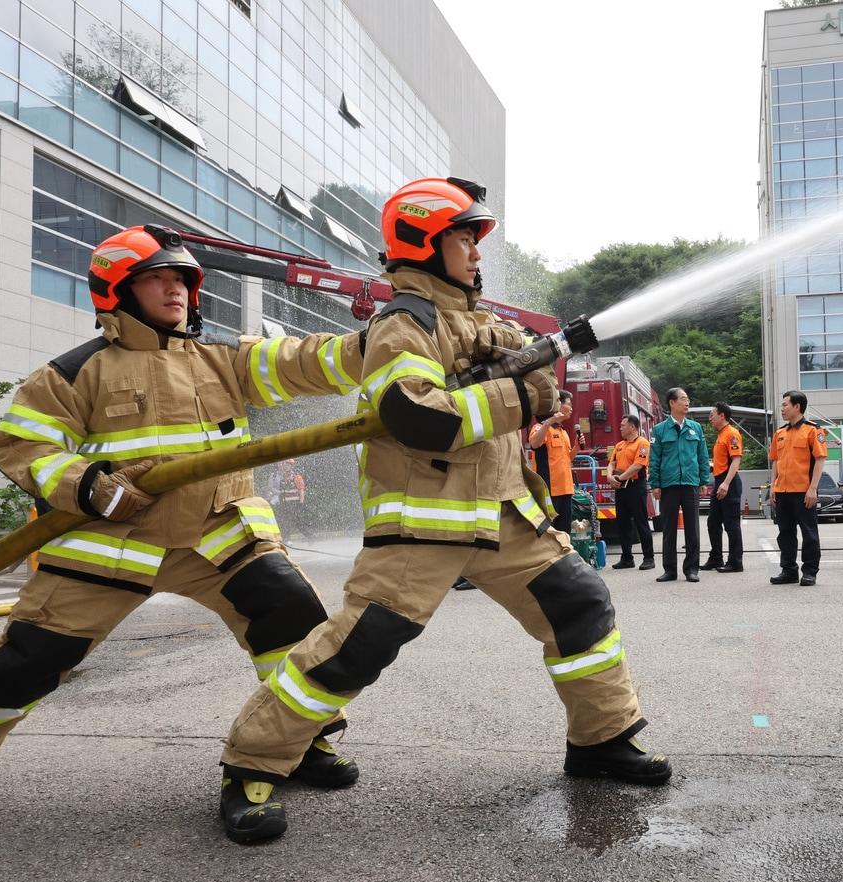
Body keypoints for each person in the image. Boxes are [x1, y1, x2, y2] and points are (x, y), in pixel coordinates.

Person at [217, 177, 669, 843]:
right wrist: (518, 396)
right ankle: (252, 761)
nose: (476, 252)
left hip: (506, 516)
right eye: (463, 238)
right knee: (358, 647)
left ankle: (603, 738)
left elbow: (537, 386)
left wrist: (527, 382)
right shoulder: (402, 327)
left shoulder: (487, 325)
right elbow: (419, 418)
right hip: (423, 524)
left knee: (580, 604)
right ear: (424, 243)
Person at [0, 225, 366, 824]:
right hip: (111, 546)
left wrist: (388, 339)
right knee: (28, 658)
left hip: (220, 537)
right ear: (117, 292)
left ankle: (298, 743)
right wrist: (90, 486)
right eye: (157, 279)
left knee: (293, 620)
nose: (176, 291)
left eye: (183, 280)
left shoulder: (227, 360)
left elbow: (313, 361)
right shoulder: (74, 373)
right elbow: (23, 446)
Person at [649, 387, 708, 583]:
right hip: (669, 485)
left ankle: (692, 569)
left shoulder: (695, 428)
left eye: (687, 399)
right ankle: (669, 570)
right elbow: (654, 459)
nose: (687, 402)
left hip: (690, 483)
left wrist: (703, 480)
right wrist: (655, 484)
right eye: (683, 399)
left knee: (692, 529)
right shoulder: (659, 430)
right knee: (669, 530)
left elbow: (702, 455)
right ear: (672, 403)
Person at [768, 390, 827, 585]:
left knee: (809, 533)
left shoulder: (813, 430)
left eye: (785, 405)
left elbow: (820, 460)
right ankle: (789, 570)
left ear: (797, 406)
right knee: (785, 533)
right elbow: (776, 461)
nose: (782, 409)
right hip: (782, 492)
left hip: (803, 491)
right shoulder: (780, 433)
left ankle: (809, 572)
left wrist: (813, 488)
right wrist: (773, 486)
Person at [702, 402, 745, 573]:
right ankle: (716, 558)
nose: (710, 418)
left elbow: (736, 460)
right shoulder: (721, 434)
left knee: (731, 524)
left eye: (712, 414)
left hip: (729, 482)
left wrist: (726, 483)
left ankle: (735, 562)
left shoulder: (732, 433)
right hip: (720, 480)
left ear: (722, 415)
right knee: (713, 522)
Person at [607, 414, 654, 571]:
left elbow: (638, 465)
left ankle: (649, 558)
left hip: (635, 486)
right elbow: (612, 463)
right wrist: (610, 476)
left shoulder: (643, 443)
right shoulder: (619, 445)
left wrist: (619, 478)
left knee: (641, 522)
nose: (620, 428)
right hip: (621, 488)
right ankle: (627, 558)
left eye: (623, 425)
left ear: (632, 427)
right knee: (623, 523)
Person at [529, 390, 576, 534]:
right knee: (549, 532)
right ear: (558, 405)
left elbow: (568, 458)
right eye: (569, 404)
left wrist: (577, 447)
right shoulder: (540, 427)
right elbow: (534, 444)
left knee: (565, 532)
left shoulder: (563, 432)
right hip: (549, 490)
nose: (571, 408)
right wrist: (549, 422)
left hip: (566, 489)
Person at [268, 459, 309, 543]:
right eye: (284, 464)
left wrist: (301, 502)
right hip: (285, 502)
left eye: (286, 464)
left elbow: (301, 490)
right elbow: (277, 489)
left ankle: (309, 536)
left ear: (291, 466)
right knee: (287, 520)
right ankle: (288, 538)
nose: (284, 466)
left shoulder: (296, 477)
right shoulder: (283, 477)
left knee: (291, 520)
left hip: (293, 502)